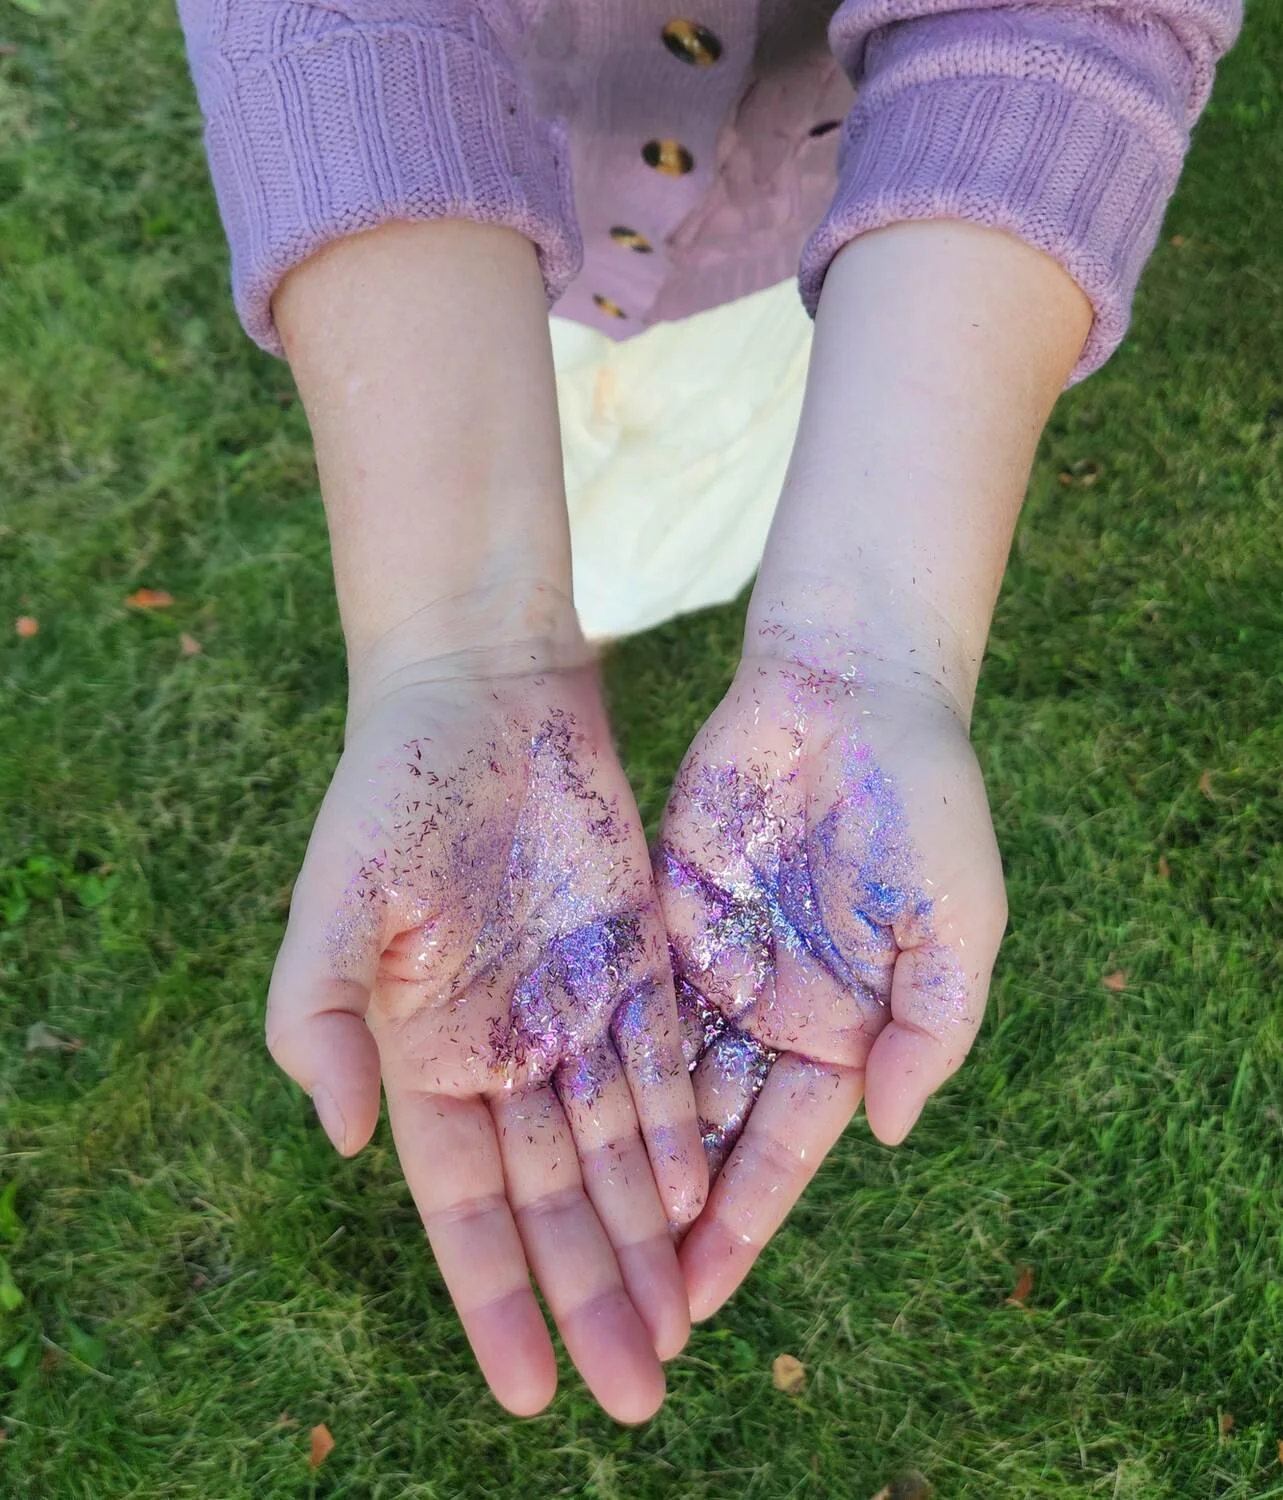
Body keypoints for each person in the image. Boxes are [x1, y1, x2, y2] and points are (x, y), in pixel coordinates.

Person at [176, 0, 1242, 1424]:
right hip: (423, 263)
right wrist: (453, 647)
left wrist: (872, 651)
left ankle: (566, 654)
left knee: (666, 530)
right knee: (552, 588)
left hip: (840, 271)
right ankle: (543, 666)